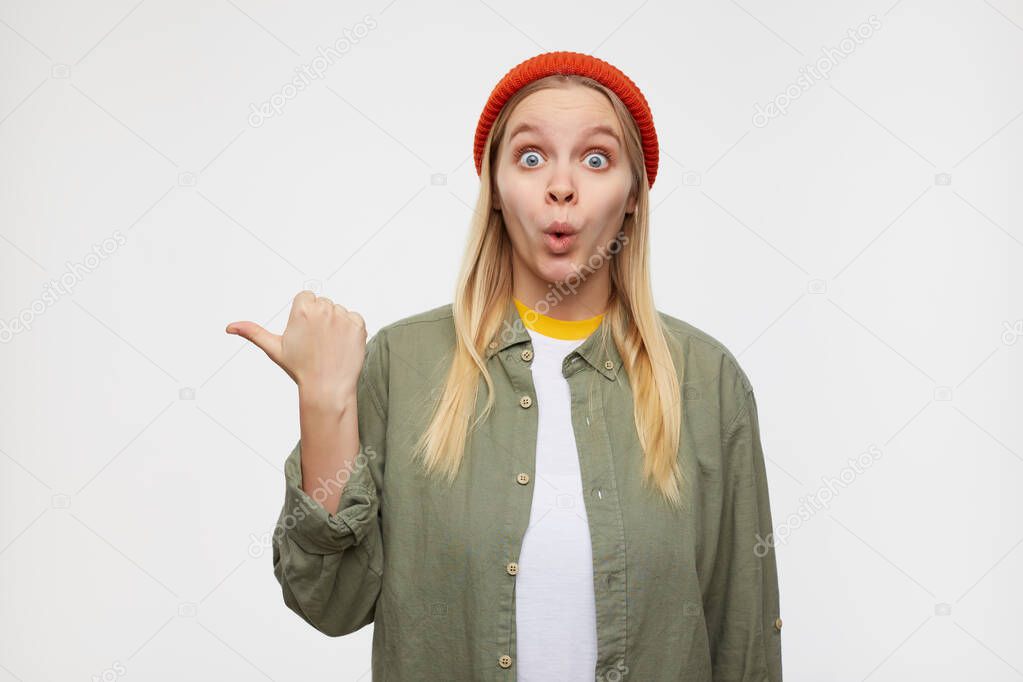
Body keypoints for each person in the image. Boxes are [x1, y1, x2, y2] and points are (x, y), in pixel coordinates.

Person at [226, 50, 783, 681]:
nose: (562, 186)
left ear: (633, 196)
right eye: (531, 156)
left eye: (597, 159)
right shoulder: (400, 365)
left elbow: (745, 640)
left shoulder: (708, 382)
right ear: (494, 189)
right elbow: (329, 602)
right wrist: (325, 402)